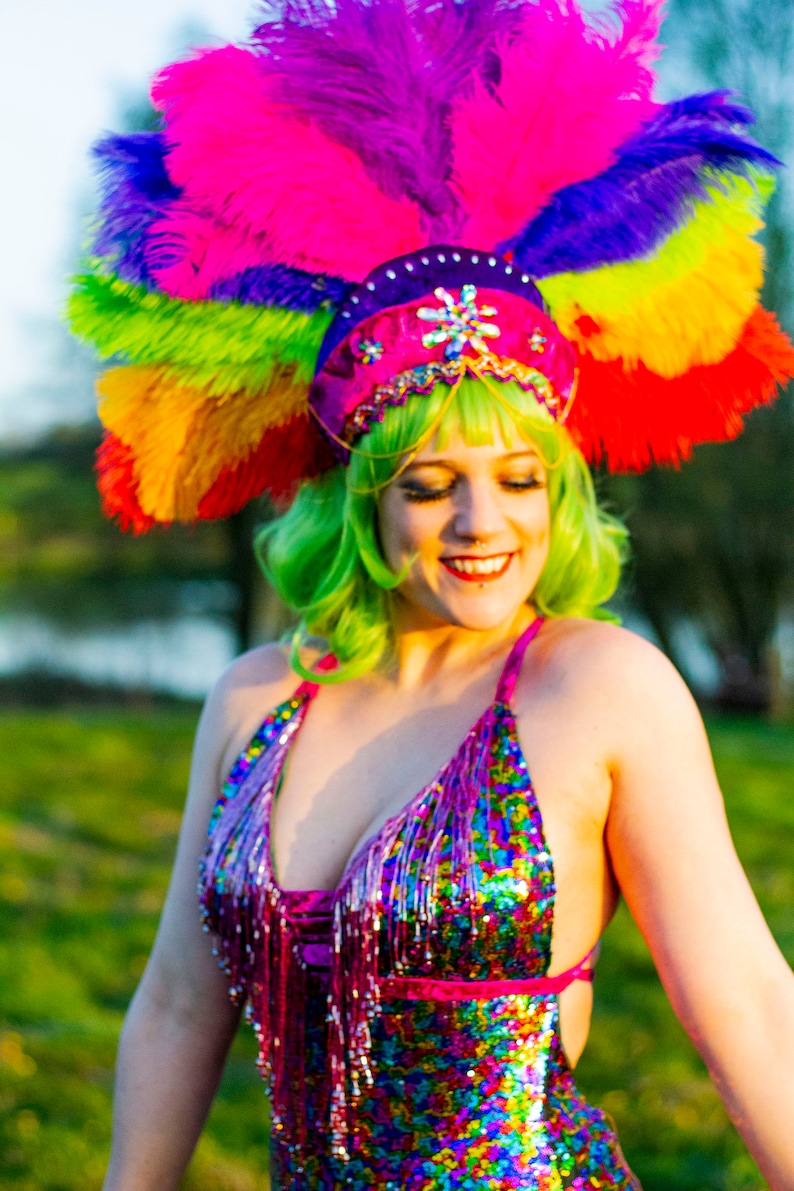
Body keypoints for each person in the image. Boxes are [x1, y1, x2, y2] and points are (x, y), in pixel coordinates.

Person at [69, 0, 794, 1187]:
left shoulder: (600, 688)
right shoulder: (255, 701)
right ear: (361, 500)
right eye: (428, 484)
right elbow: (172, 1007)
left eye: (517, 479)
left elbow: (745, 1008)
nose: (481, 525)